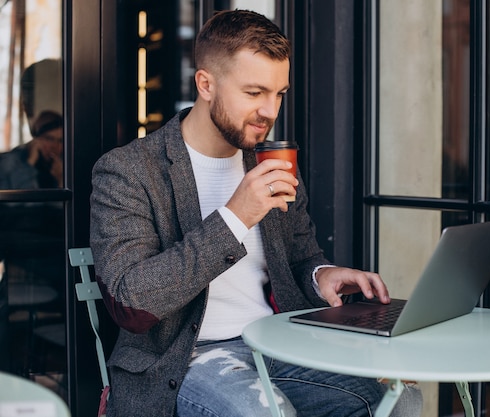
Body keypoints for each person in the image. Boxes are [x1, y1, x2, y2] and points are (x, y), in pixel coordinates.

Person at [89, 9, 422, 417]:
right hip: (185, 361)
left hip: (277, 345)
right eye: (254, 93)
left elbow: (302, 257)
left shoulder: (268, 161)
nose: (271, 110)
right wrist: (234, 217)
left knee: (401, 399)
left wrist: (322, 276)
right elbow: (131, 301)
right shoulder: (129, 170)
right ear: (205, 84)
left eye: (279, 93)